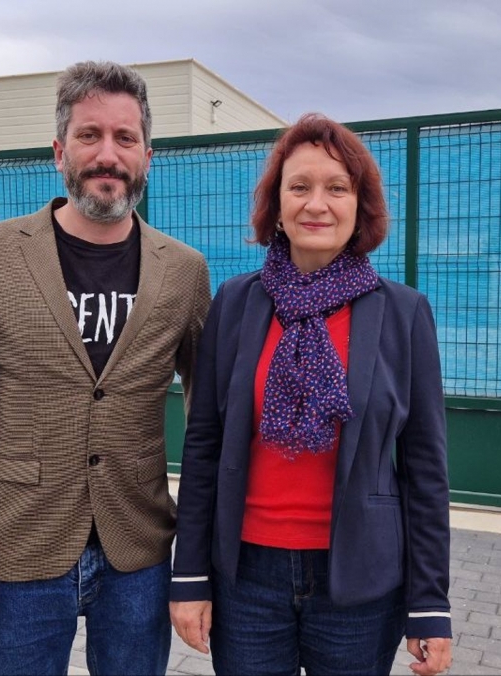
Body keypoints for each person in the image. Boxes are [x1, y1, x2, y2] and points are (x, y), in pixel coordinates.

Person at [0, 60, 211, 676]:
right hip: (17, 550)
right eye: (90, 135)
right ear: (60, 151)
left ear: (147, 156)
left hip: (139, 550)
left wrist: (201, 554)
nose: (108, 154)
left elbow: (208, 415)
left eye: (124, 138)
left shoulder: (184, 271)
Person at [169, 113, 453, 676]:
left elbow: (425, 469)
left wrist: (430, 603)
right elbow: (204, 444)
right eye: (298, 187)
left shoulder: (403, 314)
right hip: (245, 579)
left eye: (336, 188)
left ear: (359, 206)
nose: (316, 204)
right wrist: (189, 575)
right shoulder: (234, 303)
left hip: (360, 583)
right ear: (276, 206)